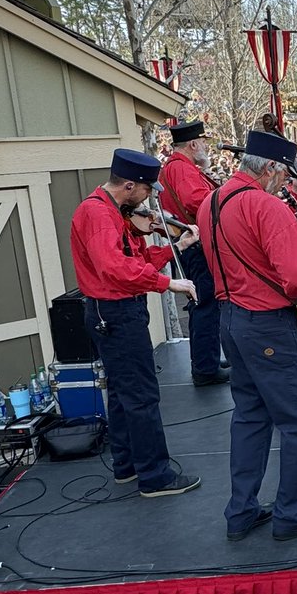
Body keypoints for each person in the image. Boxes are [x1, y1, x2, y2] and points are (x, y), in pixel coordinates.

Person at [197, 130, 297, 542]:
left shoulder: (211, 202)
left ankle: (241, 511)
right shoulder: (265, 205)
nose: (286, 184)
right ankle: (292, 513)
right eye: (285, 176)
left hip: (231, 320)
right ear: (273, 168)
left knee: (249, 417)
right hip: (269, 324)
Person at [70, 148, 201, 497]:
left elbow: (135, 259)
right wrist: (167, 283)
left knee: (122, 392)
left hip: (114, 310)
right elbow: (115, 269)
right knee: (141, 395)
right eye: (146, 190)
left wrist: (176, 246)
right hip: (116, 312)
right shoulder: (99, 214)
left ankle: (127, 465)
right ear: (129, 186)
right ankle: (155, 477)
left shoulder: (112, 211)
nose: (149, 200)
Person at [158, 119, 228, 386]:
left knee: (204, 304)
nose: (206, 148)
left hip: (193, 245)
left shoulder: (175, 167)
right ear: (193, 144)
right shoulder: (181, 169)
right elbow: (196, 201)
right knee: (205, 304)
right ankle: (205, 368)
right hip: (196, 245)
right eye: (203, 143)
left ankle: (207, 359)